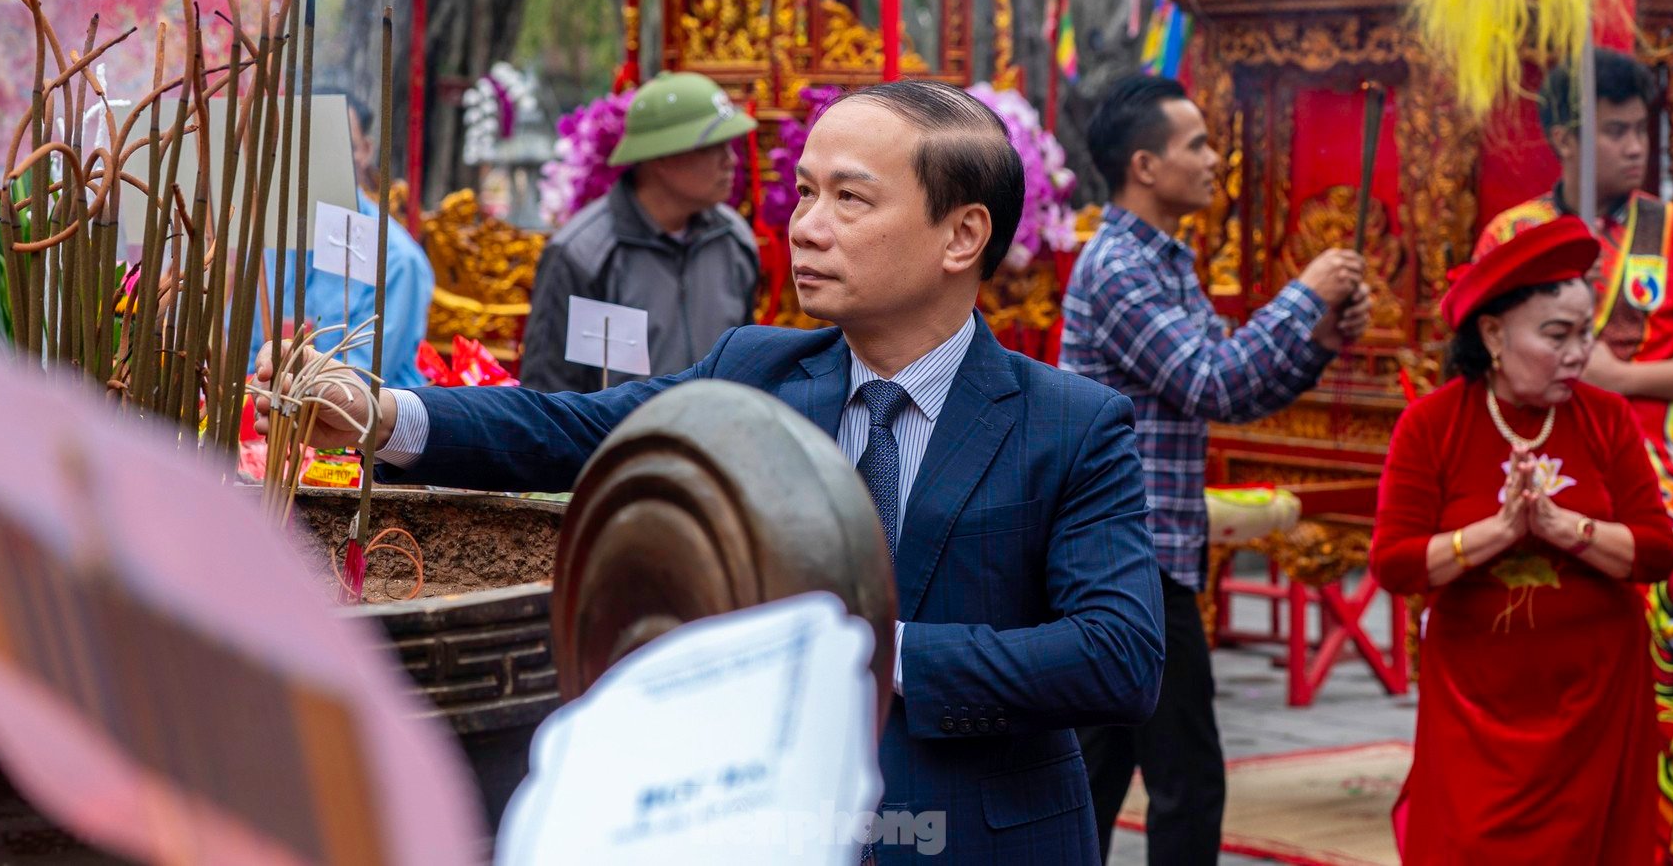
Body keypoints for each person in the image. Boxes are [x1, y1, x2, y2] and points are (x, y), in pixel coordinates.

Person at [262, 80, 1166, 864]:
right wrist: (383, 414)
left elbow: (1118, 656)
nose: (805, 228)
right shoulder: (756, 372)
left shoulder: (1068, 426)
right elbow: (575, 430)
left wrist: (860, 653)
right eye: (804, 194)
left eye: (850, 200)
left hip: (976, 839)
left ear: (962, 234)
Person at [1059, 73, 1372, 866]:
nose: (1214, 159)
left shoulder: (1165, 260)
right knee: (1183, 776)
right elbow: (1211, 379)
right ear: (1145, 166)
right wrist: (1303, 296)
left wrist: (1320, 343)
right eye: (1195, 144)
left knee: (1107, 768)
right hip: (1126, 556)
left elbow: (1237, 389)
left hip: (1144, 553)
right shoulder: (1119, 266)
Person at [1475, 48, 1673, 862]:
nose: (1638, 148)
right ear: (1566, 135)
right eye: (1619, 131)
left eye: (1645, 130)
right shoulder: (1515, 235)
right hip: (1540, 485)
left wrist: (1627, 376)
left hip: (1659, 497)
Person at [1371, 216, 1673, 864]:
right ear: (1493, 333)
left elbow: (1656, 550)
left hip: (1596, 697)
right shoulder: (1434, 424)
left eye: (1584, 335)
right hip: (1476, 702)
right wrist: (1501, 531)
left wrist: (1565, 528)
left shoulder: (1605, 416)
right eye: (1556, 335)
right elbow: (1396, 563)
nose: (1576, 354)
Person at [520, 71, 760, 393]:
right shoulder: (583, 254)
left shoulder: (733, 241)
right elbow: (549, 393)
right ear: (661, 156)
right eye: (712, 147)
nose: (730, 161)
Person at [257, 95, 431, 389]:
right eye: (309, 149)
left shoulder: (397, 260)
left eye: (337, 147)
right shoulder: (271, 246)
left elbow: (357, 381)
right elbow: (242, 351)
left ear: (365, 150)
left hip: (362, 424)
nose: (321, 161)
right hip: (264, 412)